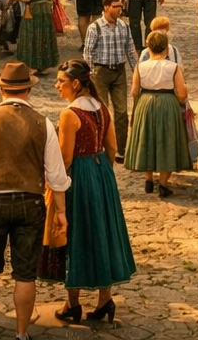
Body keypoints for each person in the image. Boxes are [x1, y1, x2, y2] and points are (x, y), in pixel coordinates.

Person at [0, 61, 69, 340]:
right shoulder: (42, 123)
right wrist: (61, 212)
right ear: (28, 91)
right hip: (30, 202)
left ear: (1, 91)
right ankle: (21, 334)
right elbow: (57, 175)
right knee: (25, 273)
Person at [50, 60, 135, 325]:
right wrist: (103, 175)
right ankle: (104, 299)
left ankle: (72, 302)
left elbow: (65, 158)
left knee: (76, 234)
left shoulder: (70, 114)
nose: (57, 86)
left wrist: (54, 184)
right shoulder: (102, 108)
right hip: (102, 175)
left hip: (79, 176)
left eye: (61, 82)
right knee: (104, 231)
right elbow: (111, 147)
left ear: (76, 83)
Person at [125, 31, 192, 197]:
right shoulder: (174, 67)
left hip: (145, 103)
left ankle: (148, 179)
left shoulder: (140, 67)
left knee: (146, 139)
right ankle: (162, 183)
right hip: (168, 103)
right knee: (167, 140)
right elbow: (182, 94)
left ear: (148, 47)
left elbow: (134, 91)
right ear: (166, 49)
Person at [83, 0, 137, 161]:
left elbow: (131, 50)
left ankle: (121, 149)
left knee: (122, 112)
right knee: (101, 112)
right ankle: (101, 148)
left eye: (120, 6)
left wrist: (137, 72)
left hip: (119, 72)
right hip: (101, 73)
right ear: (106, 7)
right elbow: (88, 53)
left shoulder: (124, 26)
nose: (120, 9)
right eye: (116, 6)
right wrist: (90, 75)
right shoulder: (95, 28)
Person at [13, 0, 58, 74]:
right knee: (44, 36)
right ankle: (44, 64)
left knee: (30, 36)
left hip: (32, 10)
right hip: (45, 10)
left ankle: (32, 63)